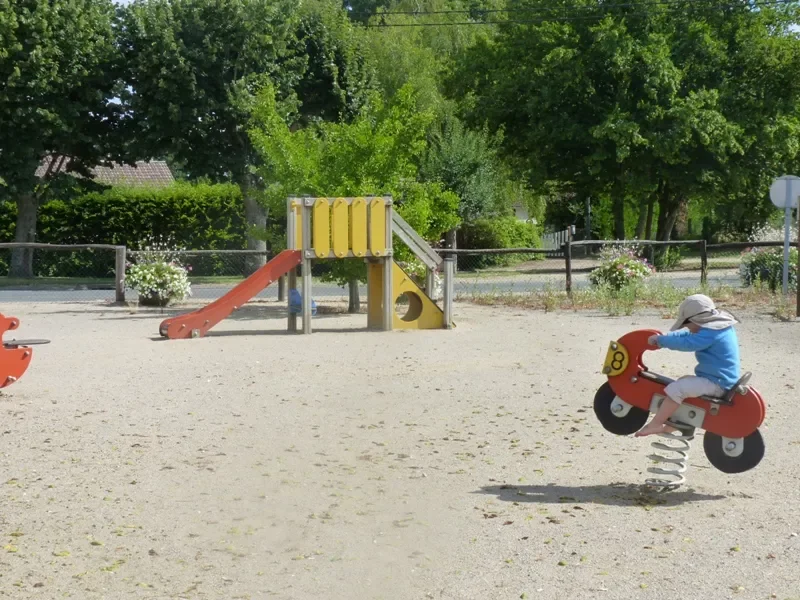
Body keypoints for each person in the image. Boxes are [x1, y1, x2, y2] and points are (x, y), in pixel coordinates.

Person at [635, 294, 741, 437]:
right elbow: (686, 336)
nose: (687, 328)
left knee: (678, 389)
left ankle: (656, 424)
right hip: (720, 380)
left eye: (687, 325)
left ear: (697, 319)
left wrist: (661, 341)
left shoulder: (711, 333)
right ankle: (676, 424)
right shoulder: (718, 328)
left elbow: (688, 343)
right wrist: (664, 337)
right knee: (684, 381)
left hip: (718, 384)